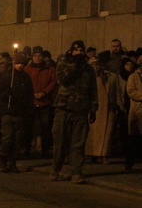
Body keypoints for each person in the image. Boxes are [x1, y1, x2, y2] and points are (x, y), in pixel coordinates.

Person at [50, 40, 98, 184]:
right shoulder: (63, 64)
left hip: (81, 110)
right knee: (60, 141)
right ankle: (55, 169)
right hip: (63, 108)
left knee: (78, 143)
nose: (78, 52)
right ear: (71, 51)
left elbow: (93, 90)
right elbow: (64, 79)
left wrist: (94, 108)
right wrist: (75, 66)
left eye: (81, 50)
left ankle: (76, 172)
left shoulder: (89, 69)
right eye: (76, 50)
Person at [0, 53, 33, 172]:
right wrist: (6, 94)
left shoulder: (26, 77)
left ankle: (12, 162)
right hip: (8, 111)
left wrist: (27, 109)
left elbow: (29, 94)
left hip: (20, 112)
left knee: (17, 139)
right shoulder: (7, 76)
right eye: (17, 63)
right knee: (7, 138)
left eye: (22, 63)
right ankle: (3, 160)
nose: (20, 66)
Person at [85, 51, 125, 164]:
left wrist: (121, 108)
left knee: (107, 133)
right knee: (92, 133)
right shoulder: (91, 77)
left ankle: (104, 155)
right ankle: (91, 153)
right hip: (95, 109)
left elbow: (117, 93)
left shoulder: (113, 77)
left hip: (109, 109)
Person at [25, 46, 56, 158]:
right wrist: (32, 94)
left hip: (44, 102)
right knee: (29, 126)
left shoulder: (49, 69)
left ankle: (44, 149)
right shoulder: (27, 69)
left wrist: (44, 92)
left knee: (45, 126)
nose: (38, 58)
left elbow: (53, 82)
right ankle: (27, 149)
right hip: (32, 102)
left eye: (40, 56)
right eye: (36, 56)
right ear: (32, 57)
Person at [125, 57, 142, 171]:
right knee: (133, 138)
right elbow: (131, 92)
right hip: (137, 112)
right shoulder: (133, 77)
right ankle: (129, 163)